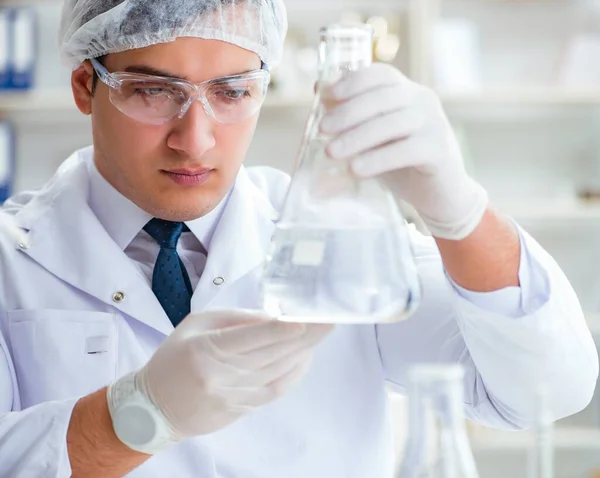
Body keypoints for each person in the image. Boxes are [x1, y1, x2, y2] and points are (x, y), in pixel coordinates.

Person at [0, 0, 597, 477]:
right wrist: (135, 417)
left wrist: (460, 212)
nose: (196, 139)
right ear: (85, 86)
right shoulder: (11, 259)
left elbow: (548, 388)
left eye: (232, 92)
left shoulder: (337, 238)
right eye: (154, 91)